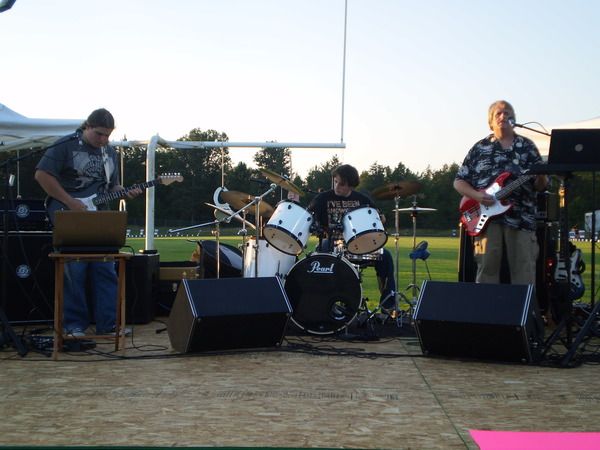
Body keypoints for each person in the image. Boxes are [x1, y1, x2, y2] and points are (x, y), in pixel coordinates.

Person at [35, 108, 142, 337]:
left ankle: (108, 324)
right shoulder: (65, 145)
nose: (103, 140)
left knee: (106, 268)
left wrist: (125, 192)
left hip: (99, 218)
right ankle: (73, 325)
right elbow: (42, 175)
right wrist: (70, 201)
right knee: (74, 269)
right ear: (87, 127)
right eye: (99, 134)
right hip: (69, 214)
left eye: (107, 135)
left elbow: (111, 186)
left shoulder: (109, 152)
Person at [454, 100, 548, 285]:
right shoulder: (479, 148)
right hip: (487, 220)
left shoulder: (527, 146)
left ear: (514, 119)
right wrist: (478, 196)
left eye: (508, 113)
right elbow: (459, 182)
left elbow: (540, 186)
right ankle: (486, 305)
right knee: (487, 270)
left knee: (524, 271)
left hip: (521, 218)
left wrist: (542, 177)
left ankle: (523, 305)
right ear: (491, 120)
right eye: (498, 113)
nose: (503, 116)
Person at [308, 164, 396, 307]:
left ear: (351, 185)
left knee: (385, 256)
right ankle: (321, 303)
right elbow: (307, 217)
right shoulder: (322, 199)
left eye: (342, 184)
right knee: (320, 251)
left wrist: (380, 218)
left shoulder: (362, 199)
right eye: (335, 182)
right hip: (332, 244)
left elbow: (381, 218)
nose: (337, 186)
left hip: (360, 246)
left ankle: (388, 306)